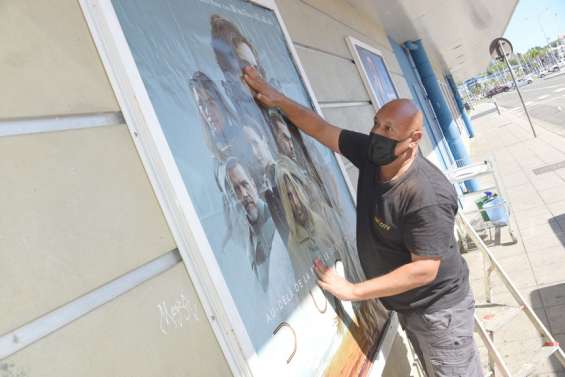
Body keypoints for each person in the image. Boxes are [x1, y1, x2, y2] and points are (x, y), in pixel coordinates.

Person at [243, 66, 482, 377]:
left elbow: (425, 269)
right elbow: (321, 128)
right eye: (376, 124)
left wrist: (355, 291)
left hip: (439, 312)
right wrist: (277, 100)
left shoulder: (426, 193)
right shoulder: (373, 154)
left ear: (414, 139)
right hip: (409, 307)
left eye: (388, 130)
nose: (377, 135)